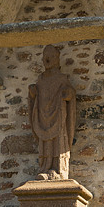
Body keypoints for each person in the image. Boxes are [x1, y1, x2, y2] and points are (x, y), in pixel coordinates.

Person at [29, 44, 76, 179]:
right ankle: (45, 168)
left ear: (57, 59)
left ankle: (58, 169)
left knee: (58, 141)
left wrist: (68, 94)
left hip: (58, 116)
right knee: (45, 142)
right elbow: (36, 95)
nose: (47, 60)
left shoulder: (62, 78)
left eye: (51, 57)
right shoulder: (41, 80)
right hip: (43, 116)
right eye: (45, 57)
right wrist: (33, 93)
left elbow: (70, 94)